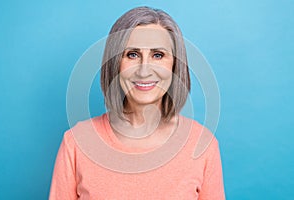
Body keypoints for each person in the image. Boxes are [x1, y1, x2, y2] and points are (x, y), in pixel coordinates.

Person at [49, 6, 225, 199]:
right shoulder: (76, 142)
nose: (144, 70)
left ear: (175, 65)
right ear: (115, 64)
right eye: (132, 54)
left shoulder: (202, 145)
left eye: (158, 55)